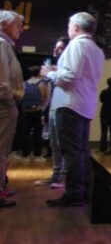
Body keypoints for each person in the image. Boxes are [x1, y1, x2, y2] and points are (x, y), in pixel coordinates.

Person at [43, 13, 104, 207]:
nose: (68, 29)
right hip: (85, 104)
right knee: (81, 150)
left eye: (69, 25)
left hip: (70, 104)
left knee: (70, 151)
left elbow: (69, 77)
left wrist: (50, 73)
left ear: (76, 27)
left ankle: (74, 192)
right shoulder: (97, 50)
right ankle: (82, 189)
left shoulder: (77, 45)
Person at [35, 37, 69, 188]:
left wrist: (51, 73)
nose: (55, 50)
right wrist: (45, 111)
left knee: (63, 145)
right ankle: (56, 176)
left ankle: (63, 178)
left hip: (65, 108)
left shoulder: (66, 66)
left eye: (60, 47)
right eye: (56, 47)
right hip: (54, 108)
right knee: (54, 144)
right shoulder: (56, 68)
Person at [0, 10, 25, 208]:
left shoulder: (6, 45)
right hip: (4, 106)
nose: (21, 29)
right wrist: (10, 103)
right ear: (4, 24)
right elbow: (2, 81)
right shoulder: (2, 45)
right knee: (1, 149)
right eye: (17, 24)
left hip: (6, 104)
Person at [19, 66, 50, 161]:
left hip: (26, 111)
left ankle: (26, 155)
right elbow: (46, 98)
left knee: (26, 133)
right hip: (38, 111)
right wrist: (43, 110)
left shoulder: (24, 84)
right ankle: (37, 155)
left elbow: (20, 97)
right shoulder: (43, 84)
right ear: (39, 73)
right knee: (38, 133)